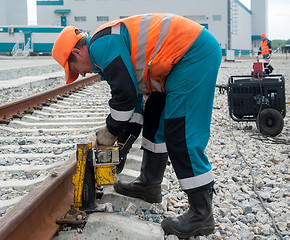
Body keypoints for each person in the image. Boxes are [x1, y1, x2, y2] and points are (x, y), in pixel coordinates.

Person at [52, 13, 222, 238]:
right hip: (178, 61)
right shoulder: (105, 50)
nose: (80, 73)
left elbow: (124, 95)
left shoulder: (101, 45)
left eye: (75, 68)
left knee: (180, 133)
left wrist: (110, 132)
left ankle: (202, 214)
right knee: (153, 116)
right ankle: (149, 184)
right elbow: (135, 106)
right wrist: (124, 143)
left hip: (191, 55)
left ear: (77, 52)